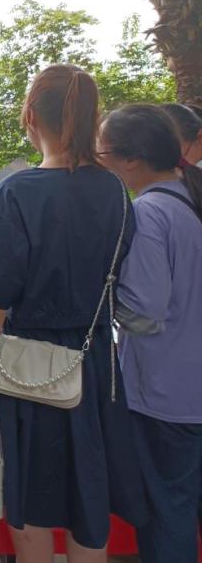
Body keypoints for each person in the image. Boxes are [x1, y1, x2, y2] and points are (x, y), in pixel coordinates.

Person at [0, 65, 146, 563]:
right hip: (94, 362)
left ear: (30, 116)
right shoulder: (115, 190)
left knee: (30, 502)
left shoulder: (19, 191)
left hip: (29, 365)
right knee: (89, 494)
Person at [98, 104, 202, 563]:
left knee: (167, 516)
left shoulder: (148, 212)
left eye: (102, 152)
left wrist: (101, 295)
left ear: (132, 160)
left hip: (167, 395)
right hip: (189, 389)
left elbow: (145, 312)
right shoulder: (189, 196)